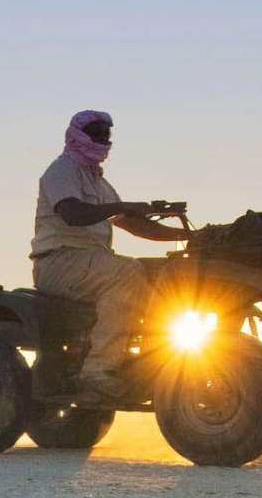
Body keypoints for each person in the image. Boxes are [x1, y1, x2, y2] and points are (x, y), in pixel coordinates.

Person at [30, 110, 190, 396]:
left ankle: (153, 361)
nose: (103, 138)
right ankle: (98, 370)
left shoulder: (99, 183)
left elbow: (134, 224)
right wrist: (123, 206)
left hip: (91, 263)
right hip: (59, 262)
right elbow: (73, 213)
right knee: (127, 271)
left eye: (106, 133)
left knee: (166, 272)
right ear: (78, 134)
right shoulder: (62, 171)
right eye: (97, 132)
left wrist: (190, 236)